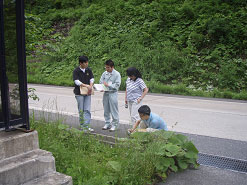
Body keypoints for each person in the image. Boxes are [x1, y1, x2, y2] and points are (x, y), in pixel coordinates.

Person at [73, 56, 94, 132]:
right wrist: (86, 86)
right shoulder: (76, 71)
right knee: (81, 110)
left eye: (87, 62)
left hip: (88, 92)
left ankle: (87, 126)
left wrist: (90, 86)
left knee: (87, 109)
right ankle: (82, 126)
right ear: (81, 63)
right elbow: (76, 81)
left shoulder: (88, 70)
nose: (87, 64)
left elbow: (92, 78)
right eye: (85, 63)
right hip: (79, 93)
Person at [100, 59, 121, 131]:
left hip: (113, 93)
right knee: (106, 109)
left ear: (112, 67)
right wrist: (102, 87)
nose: (107, 69)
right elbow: (101, 81)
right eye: (106, 67)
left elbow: (117, 85)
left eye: (108, 67)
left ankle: (115, 124)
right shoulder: (104, 73)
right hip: (105, 93)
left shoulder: (117, 74)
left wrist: (108, 85)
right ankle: (107, 123)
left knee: (114, 109)